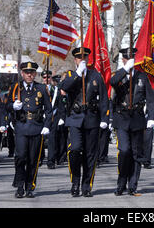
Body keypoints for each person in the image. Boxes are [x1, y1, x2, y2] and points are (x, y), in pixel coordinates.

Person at [60, 46, 109, 198]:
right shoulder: (69, 75)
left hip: (92, 119)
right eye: (79, 58)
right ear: (75, 60)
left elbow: (104, 99)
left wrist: (105, 118)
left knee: (90, 155)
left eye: (85, 57)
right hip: (75, 118)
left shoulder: (95, 75)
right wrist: (78, 73)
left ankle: (86, 185)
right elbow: (65, 87)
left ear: (88, 59)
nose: (82, 60)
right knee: (74, 150)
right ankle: (75, 182)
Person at [110, 47, 154, 196]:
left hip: (137, 118)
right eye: (127, 58)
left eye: (132, 58)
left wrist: (152, 118)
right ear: (123, 59)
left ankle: (133, 185)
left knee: (136, 154)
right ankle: (121, 183)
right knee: (124, 151)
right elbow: (112, 81)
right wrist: (125, 69)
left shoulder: (142, 77)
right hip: (122, 117)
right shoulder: (119, 75)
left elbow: (151, 99)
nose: (130, 60)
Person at [6, 61, 52, 198]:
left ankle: (30, 186)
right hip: (21, 126)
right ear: (22, 73)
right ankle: (20, 186)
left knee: (33, 159)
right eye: (26, 72)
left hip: (37, 127)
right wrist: (13, 106)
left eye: (32, 72)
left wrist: (46, 126)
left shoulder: (41, 89)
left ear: (35, 74)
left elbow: (49, 110)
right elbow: (6, 105)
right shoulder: (16, 88)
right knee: (20, 157)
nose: (29, 75)